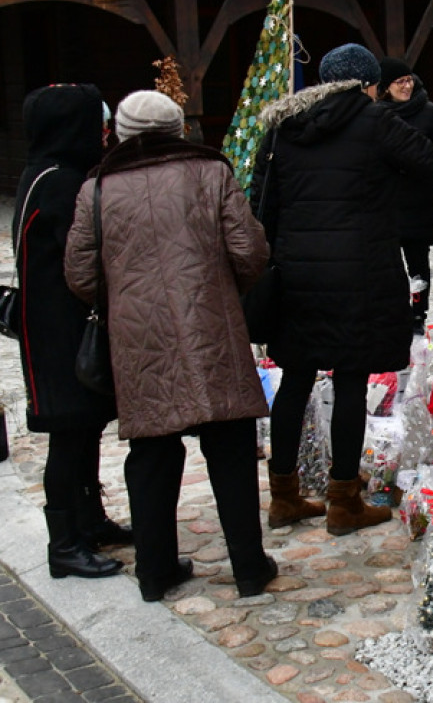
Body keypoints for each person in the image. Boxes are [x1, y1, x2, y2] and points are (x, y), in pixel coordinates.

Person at [252, 43, 433, 536]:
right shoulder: (374, 121)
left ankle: (283, 497)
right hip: (357, 273)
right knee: (348, 380)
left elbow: (262, 202)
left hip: (296, 272)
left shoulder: (284, 126)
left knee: (295, 379)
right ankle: (343, 502)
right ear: (368, 83)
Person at [64, 90, 278, 602]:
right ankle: (249, 566)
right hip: (211, 324)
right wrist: (223, 293)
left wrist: (125, 301)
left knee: (152, 453)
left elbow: (79, 272)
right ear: (178, 128)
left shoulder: (97, 188)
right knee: (229, 447)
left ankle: (155, 570)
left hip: (140, 338)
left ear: (121, 132)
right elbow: (250, 250)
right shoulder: (211, 172)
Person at [13, 83, 129, 580]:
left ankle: (89, 521)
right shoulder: (59, 182)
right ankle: (64, 543)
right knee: (67, 432)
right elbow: (80, 260)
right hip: (56, 332)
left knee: (83, 429)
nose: (103, 134)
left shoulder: (49, 172)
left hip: (61, 326)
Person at [376, 56, 433, 335]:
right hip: (388, 203)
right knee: (388, 265)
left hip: (419, 200)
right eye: (400, 82)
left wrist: (421, 162)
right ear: (386, 87)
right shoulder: (377, 114)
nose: (406, 86)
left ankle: (418, 315)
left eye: (409, 79)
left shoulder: (430, 112)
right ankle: (392, 313)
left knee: (418, 264)